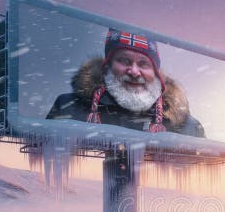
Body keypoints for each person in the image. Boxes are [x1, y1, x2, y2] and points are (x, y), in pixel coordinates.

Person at [46, 28, 206, 137]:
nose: (134, 72)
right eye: (124, 60)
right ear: (108, 66)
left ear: (155, 73)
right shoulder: (68, 108)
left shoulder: (188, 127)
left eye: (144, 64)